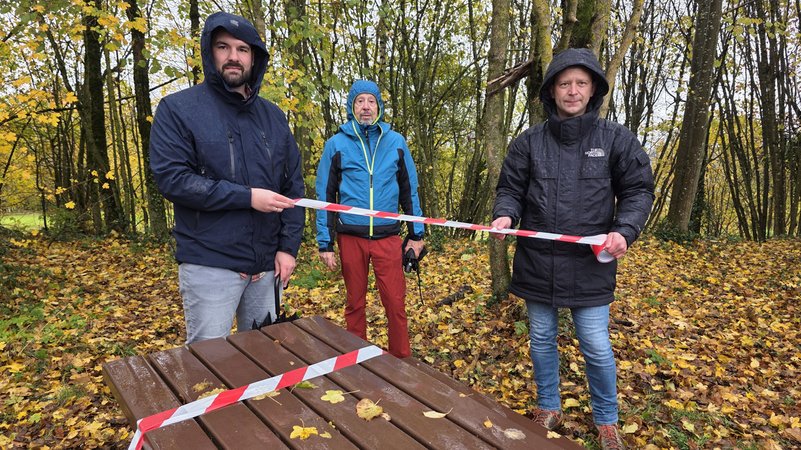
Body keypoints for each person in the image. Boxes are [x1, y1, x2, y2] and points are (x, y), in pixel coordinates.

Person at [491, 48, 654, 450]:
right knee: (542, 338)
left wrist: (625, 231)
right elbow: (510, 189)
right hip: (537, 262)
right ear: (551, 91)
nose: (573, 91)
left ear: (594, 88)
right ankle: (549, 406)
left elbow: (637, 190)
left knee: (596, 345)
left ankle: (607, 421)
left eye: (581, 83)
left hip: (591, 265)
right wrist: (505, 216)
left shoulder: (617, 139)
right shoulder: (528, 142)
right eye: (564, 83)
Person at [149, 11, 304, 344]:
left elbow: (293, 189)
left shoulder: (274, 117)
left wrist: (288, 248)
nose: (234, 56)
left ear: (254, 58)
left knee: (265, 361)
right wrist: (247, 197)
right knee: (208, 369)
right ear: (210, 52)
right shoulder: (178, 109)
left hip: (267, 267)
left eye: (243, 49)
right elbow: (173, 179)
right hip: (210, 264)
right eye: (224, 47)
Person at [315, 80, 425, 358]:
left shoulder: (396, 142)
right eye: (360, 101)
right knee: (354, 303)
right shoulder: (336, 144)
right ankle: (356, 363)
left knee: (395, 302)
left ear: (379, 106)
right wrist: (325, 243)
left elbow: (409, 190)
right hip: (351, 236)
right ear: (352, 107)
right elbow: (324, 195)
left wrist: (416, 235)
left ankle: (401, 361)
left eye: (371, 101)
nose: (366, 107)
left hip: (388, 236)